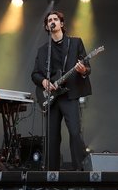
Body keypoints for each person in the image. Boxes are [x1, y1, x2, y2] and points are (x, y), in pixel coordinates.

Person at [31, 10, 91, 171]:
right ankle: (52, 172)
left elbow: (87, 68)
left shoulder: (75, 43)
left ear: (61, 24)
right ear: (46, 26)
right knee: (52, 137)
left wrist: (82, 70)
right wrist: (44, 81)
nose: (52, 21)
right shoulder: (43, 50)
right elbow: (35, 74)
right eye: (49, 20)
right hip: (51, 97)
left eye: (55, 19)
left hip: (69, 94)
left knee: (75, 133)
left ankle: (79, 170)